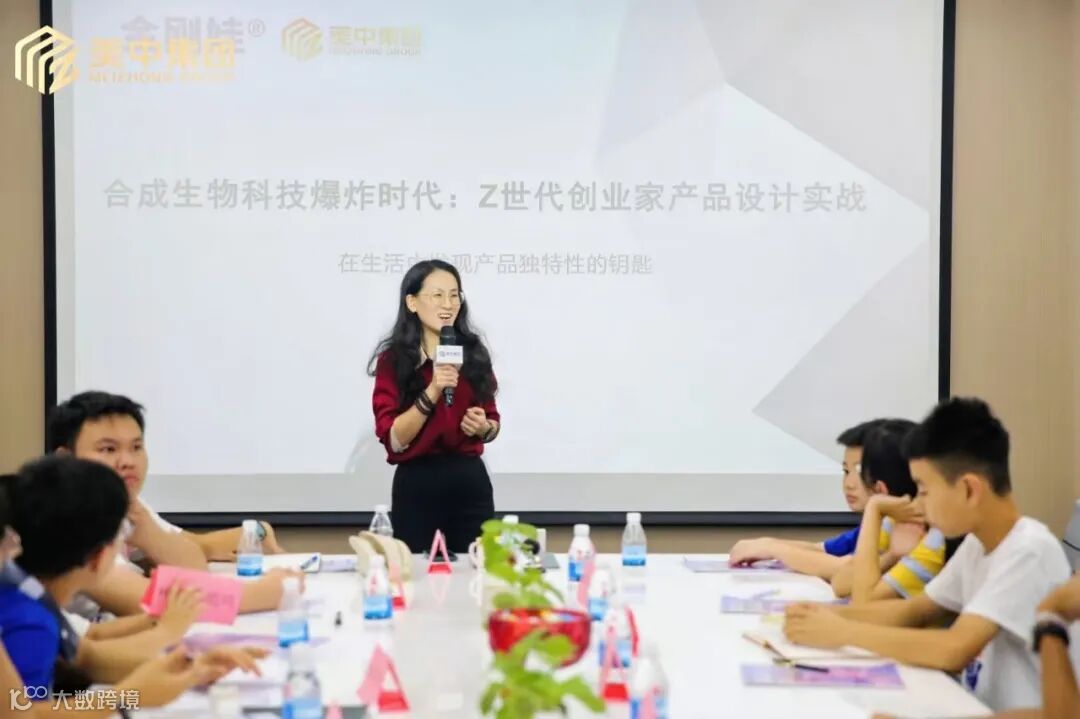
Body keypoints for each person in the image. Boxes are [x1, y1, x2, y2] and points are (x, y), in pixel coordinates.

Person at [783, 397, 1072, 713]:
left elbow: (955, 648)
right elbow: (914, 611)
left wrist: (843, 632)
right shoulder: (977, 545)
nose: (918, 504)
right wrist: (818, 615)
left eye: (923, 490)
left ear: (969, 490)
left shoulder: (1029, 551)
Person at [0, 456, 266, 712]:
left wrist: (191, 667)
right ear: (99, 557)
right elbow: (27, 712)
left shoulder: (32, 595)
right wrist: (124, 696)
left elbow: (88, 657)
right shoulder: (27, 623)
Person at [46, 391, 298, 617]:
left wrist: (149, 532)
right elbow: (145, 601)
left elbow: (195, 568)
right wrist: (264, 593)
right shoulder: (62, 518)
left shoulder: (122, 504)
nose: (128, 461)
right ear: (66, 459)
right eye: (108, 449)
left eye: (136, 447)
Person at [368, 259, 501, 553]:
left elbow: (493, 422)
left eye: (454, 295)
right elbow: (394, 438)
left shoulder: (474, 353)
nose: (448, 304)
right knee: (416, 573)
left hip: (470, 482)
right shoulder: (394, 361)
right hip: (418, 483)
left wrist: (484, 427)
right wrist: (434, 389)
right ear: (412, 302)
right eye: (437, 295)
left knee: (475, 568)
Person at [728, 418, 910, 580]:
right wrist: (767, 545)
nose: (849, 484)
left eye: (859, 472)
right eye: (846, 471)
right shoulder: (874, 524)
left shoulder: (901, 528)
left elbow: (846, 571)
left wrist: (772, 548)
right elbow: (822, 550)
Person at [828, 425, 948, 602]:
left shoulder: (937, 538)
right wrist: (891, 556)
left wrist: (874, 507)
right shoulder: (894, 520)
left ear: (879, 488)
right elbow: (840, 584)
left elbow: (863, 603)